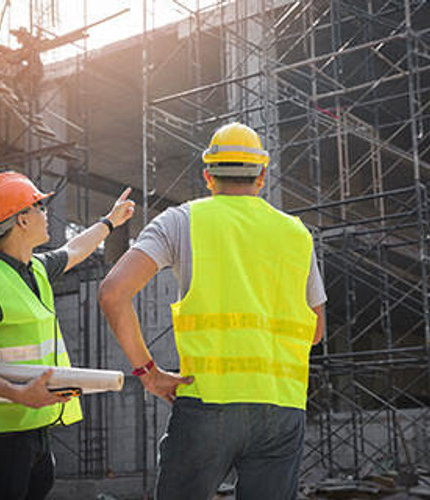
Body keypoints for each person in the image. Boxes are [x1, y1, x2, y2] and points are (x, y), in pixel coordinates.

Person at [98, 122, 326, 500]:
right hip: (283, 408)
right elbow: (315, 331)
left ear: (208, 176)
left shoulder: (181, 221)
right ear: (263, 175)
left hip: (207, 402)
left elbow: (112, 293)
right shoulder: (297, 234)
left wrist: (148, 372)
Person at [0, 171, 134, 499]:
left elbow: (74, 249)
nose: (46, 215)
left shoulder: (36, 270)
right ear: (21, 221)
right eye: (39, 208)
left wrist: (109, 222)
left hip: (34, 431)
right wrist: (16, 394)